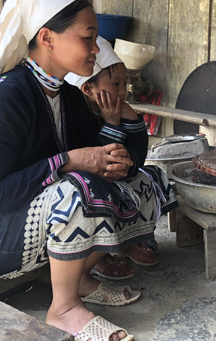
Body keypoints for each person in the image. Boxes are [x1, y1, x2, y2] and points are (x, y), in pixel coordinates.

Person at [0, 0, 161, 341]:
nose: (95, 49)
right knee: (76, 190)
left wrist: (117, 156)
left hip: (25, 218)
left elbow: (105, 153)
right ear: (48, 38)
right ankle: (64, 308)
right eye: (88, 37)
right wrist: (70, 161)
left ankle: (82, 278)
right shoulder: (3, 99)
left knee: (144, 180)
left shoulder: (67, 96)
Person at [65, 36, 177, 280]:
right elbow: (97, 161)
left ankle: (128, 240)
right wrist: (112, 124)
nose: (123, 92)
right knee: (104, 194)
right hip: (87, 182)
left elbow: (138, 154)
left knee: (152, 178)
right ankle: (97, 256)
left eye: (125, 84)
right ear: (87, 88)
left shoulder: (122, 108)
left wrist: (132, 123)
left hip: (116, 176)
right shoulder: (75, 113)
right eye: (115, 84)